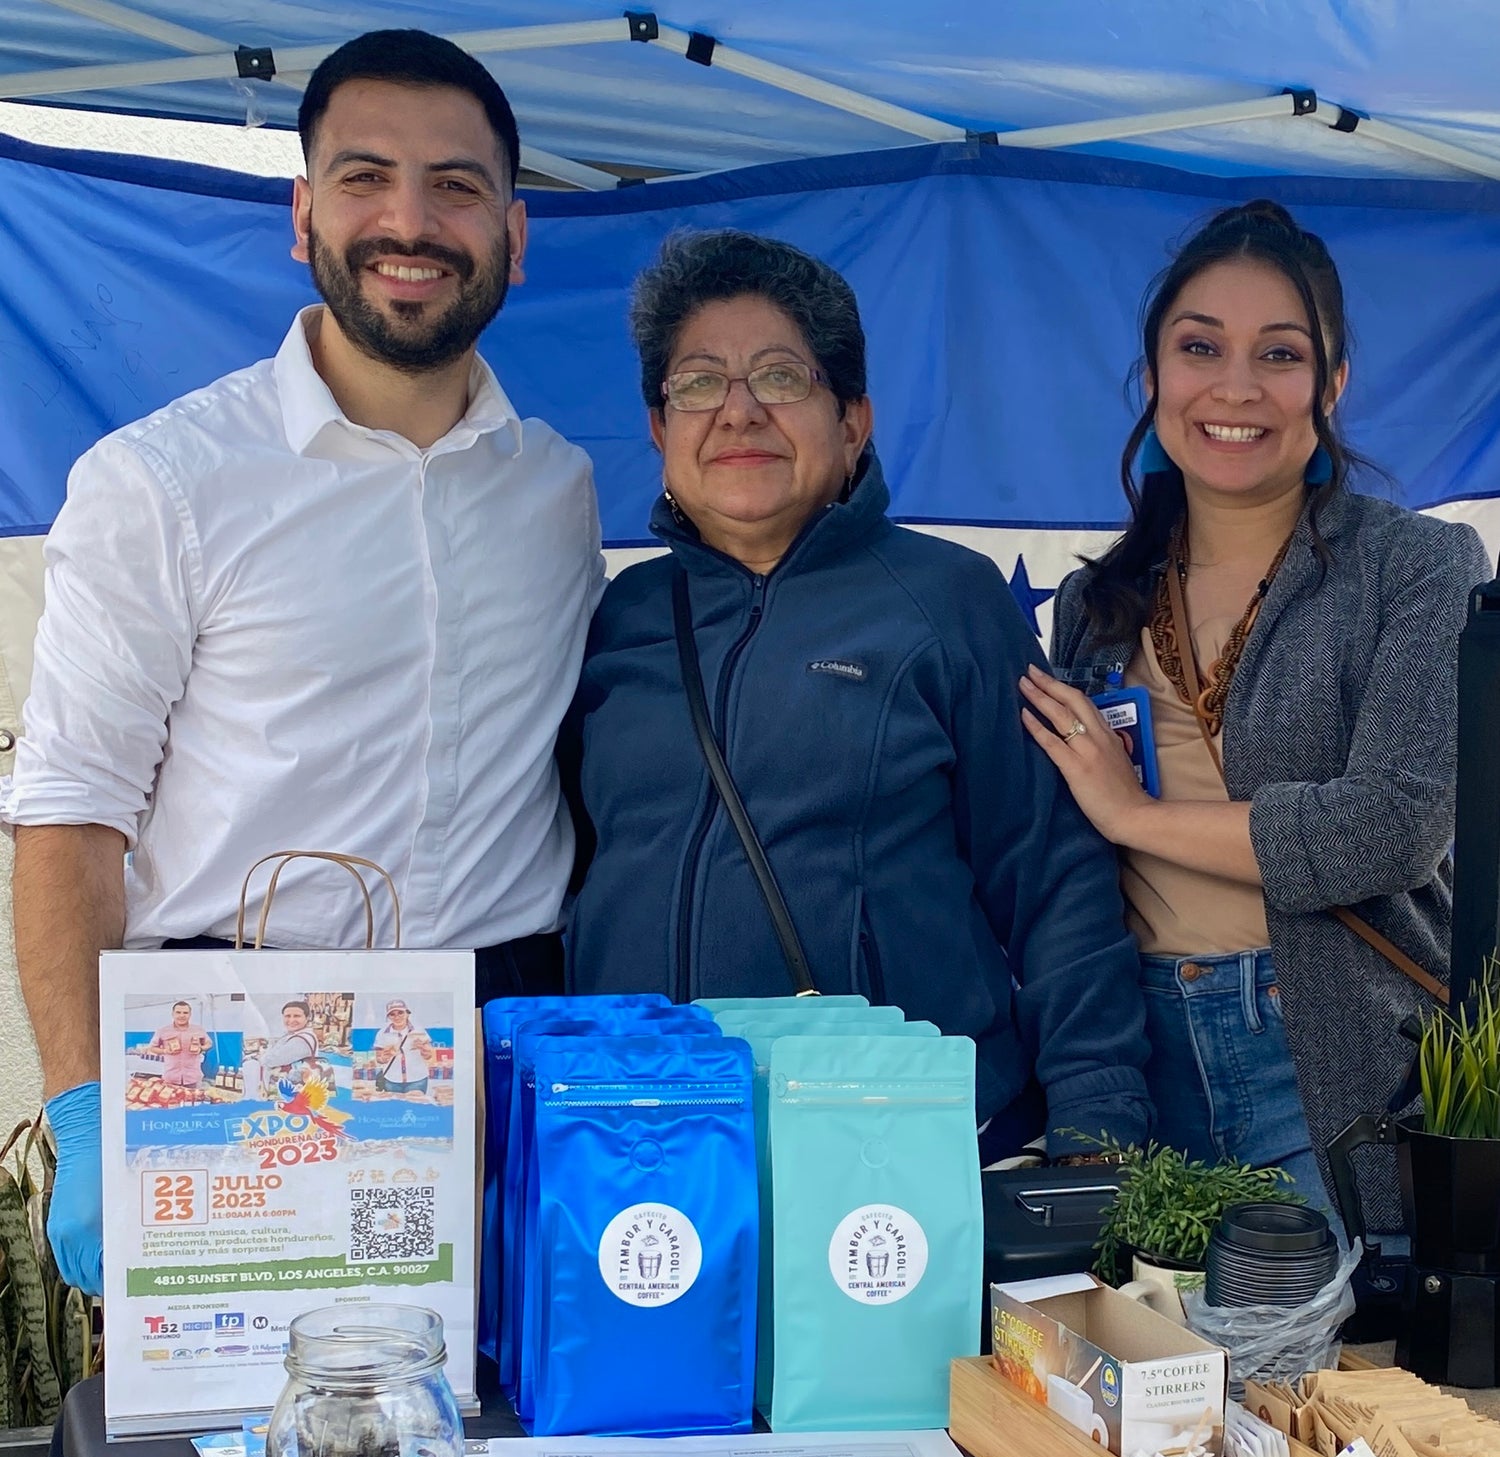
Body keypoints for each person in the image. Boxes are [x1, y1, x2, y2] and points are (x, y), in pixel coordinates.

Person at [1, 29, 604, 1296]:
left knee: (506, 1443)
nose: (410, 220)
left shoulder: (558, 489)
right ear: (301, 213)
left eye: (457, 185)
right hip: (239, 1052)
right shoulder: (161, 485)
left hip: (510, 1046)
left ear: (514, 231)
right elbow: (68, 817)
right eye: (363, 176)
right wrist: (91, 1113)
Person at [565, 229, 1151, 1163]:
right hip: (639, 1147)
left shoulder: (948, 601)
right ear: (658, 428)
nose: (739, 412)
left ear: (853, 421)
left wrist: (1096, 1122)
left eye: (781, 378)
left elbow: (1049, 880)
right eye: (699, 383)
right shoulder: (617, 618)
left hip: (886, 1152)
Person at [1024, 200, 1490, 1231]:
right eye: (1200, 348)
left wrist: (1134, 816)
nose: (1235, 387)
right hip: (1135, 1063)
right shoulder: (1093, 603)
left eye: (1279, 353)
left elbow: (1392, 828)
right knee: (1149, 1382)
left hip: (1324, 1051)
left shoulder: (1415, 566)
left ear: (1330, 386)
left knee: (1331, 1383)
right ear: (1153, 378)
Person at [372, 999, 435, 1096]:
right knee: (395, 1109)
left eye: (400, 1012)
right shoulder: (382, 1034)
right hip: (392, 1080)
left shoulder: (418, 1031)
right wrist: (383, 1058)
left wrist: (423, 1049)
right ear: (388, 1017)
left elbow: (429, 1056)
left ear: (407, 1013)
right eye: (392, 1014)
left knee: (415, 1108)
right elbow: (379, 1059)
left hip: (417, 1079)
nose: (397, 1017)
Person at [145, 1000, 211, 1089]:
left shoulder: (198, 1029)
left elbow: (209, 1043)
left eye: (185, 1013)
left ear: (190, 1014)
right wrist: (165, 1051)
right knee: (171, 1102)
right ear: (173, 1014)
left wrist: (201, 1048)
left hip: (193, 1078)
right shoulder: (163, 1030)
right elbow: (152, 1048)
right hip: (170, 1078)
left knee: (194, 1102)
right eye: (178, 1012)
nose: (182, 1015)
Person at [259, 1001, 322, 1077]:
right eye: (288, 1016)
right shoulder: (298, 1034)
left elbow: (270, 1061)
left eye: (297, 1016)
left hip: (295, 1086)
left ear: (307, 1017)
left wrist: (260, 1057)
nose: (291, 1020)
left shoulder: (300, 1040)